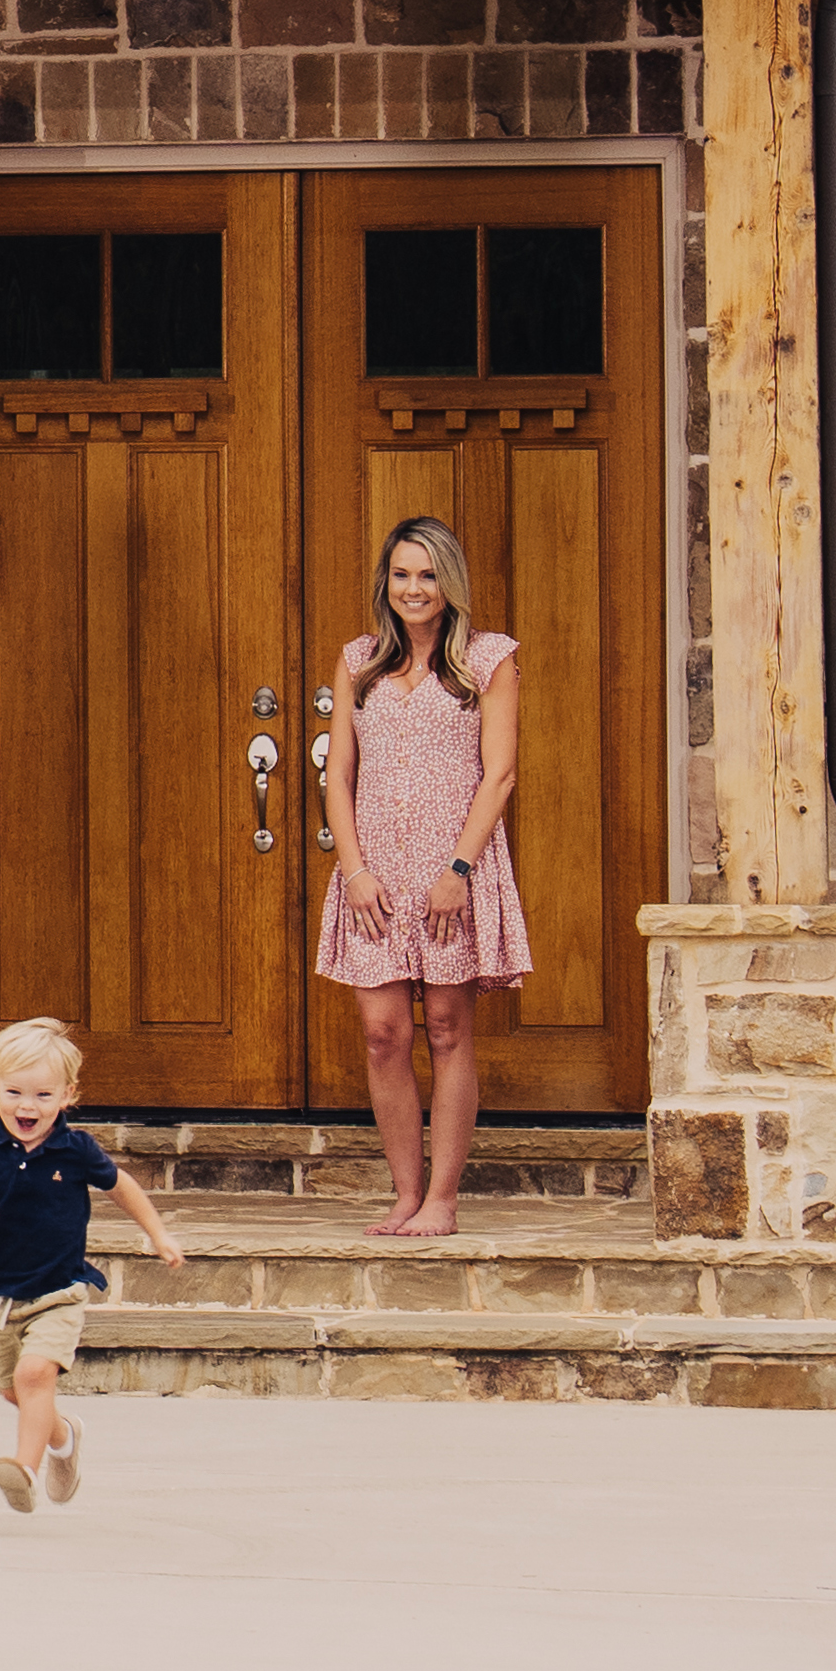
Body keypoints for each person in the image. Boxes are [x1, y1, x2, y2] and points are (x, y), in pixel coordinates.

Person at [308, 518, 528, 1239]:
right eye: (401, 574)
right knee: (380, 1031)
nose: (413, 588)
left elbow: (499, 775)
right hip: (373, 874)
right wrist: (353, 867)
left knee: (445, 1027)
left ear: (448, 583)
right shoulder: (358, 661)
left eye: (427, 575)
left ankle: (442, 1197)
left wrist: (457, 869)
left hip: (449, 871)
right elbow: (336, 775)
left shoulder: (486, 661)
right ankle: (403, 1193)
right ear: (386, 582)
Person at [0, 1014, 182, 1511]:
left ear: (68, 1094)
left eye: (43, 1096)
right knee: (18, 1393)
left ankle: (24, 1472)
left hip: (60, 1290)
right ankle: (64, 1437)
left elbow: (122, 1187)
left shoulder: (75, 1149)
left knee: (35, 1376)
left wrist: (157, 1234)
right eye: (14, 1092)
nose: (26, 1106)